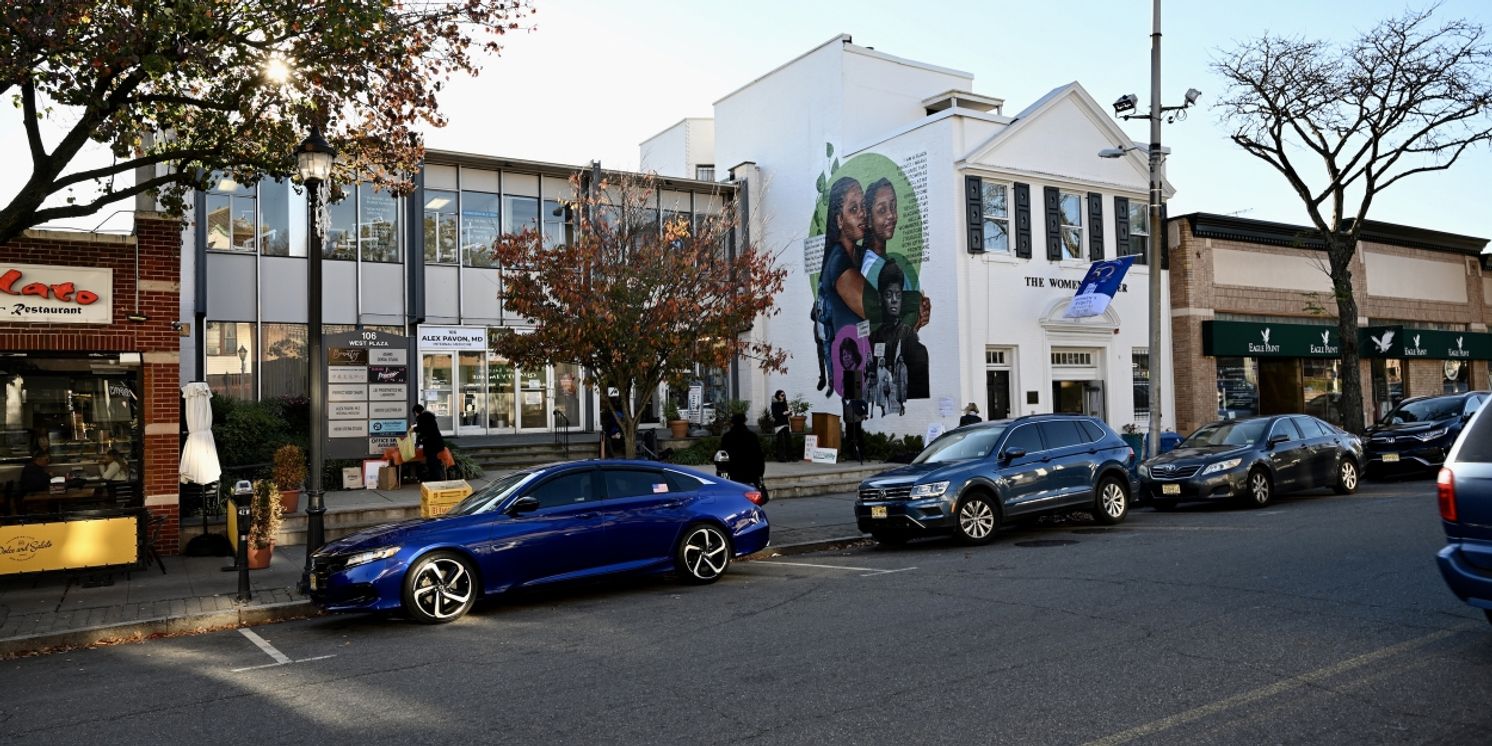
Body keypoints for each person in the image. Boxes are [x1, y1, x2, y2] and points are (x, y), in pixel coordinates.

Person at [817, 177, 867, 396]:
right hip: (848, 355)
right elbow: (872, 308)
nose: (862, 213)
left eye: (863, 206)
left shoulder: (861, 255)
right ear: (838, 220)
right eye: (853, 209)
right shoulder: (838, 261)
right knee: (853, 404)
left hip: (861, 354)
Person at [719, 412, 767, 500]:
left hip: (732, 475)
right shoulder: (752, 436)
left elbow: (722, 457)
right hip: (750, 475)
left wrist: (722, 475)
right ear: (744, 421)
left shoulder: (727, 437)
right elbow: (759, 457)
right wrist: (760, 474)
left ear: (732, 423)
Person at [838, 339, 866, 463]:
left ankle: (859, 453)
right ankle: (850, 453)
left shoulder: (859, 375)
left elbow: (863, 396)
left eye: (848, 354)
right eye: (843, 355)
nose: (846, 358)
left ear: (854, 354)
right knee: (849, 433)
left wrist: (865, 412)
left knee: (857, 433)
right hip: (848, 413)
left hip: (856, 413)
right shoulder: (846, 375)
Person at [410, 404, 446, 482]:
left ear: (416, 412)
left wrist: (414, 429)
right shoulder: (429, 416)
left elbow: (423, 429)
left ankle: (435, 478)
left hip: (431, 443)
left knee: (432, 461)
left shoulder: (422, 418)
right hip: (436, 442)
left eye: (414, 413)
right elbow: (426, 429)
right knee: (434, 461)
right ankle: (436, 477)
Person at [770, 390, 791, 462]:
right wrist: (783, 413)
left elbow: (786, 413)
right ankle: (781, 457)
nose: (783, 397)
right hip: (779, 425)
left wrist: (789, 413)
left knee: (788, 440)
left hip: (785, 424)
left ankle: (789, 456)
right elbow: (775, 415)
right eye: (782, 395)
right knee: (780, 441)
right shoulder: (775, 404)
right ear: (778, 396)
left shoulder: (784, 403)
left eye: (784, 395)